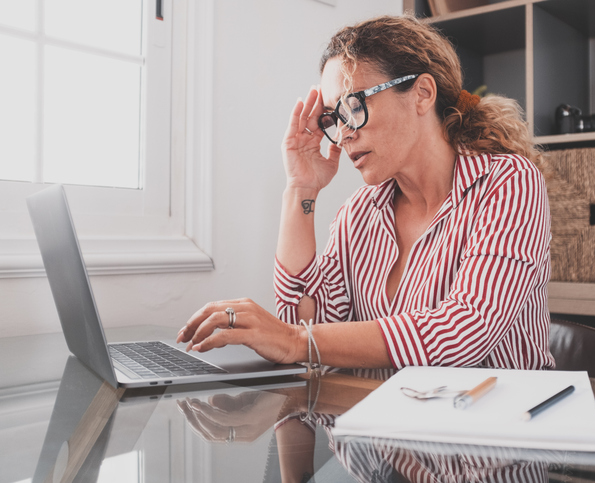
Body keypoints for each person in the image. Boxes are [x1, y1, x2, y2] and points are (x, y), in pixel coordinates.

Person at [177, 14, 553, 371]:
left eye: (353, 106)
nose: (343, 133)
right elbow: (309, 321)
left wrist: (296, 340)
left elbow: (463, 332)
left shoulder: (509, 183)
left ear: (422, 93)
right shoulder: (361, 212)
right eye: (333, 117)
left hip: (498, 428)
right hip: (386, 428)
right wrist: (300, 189)